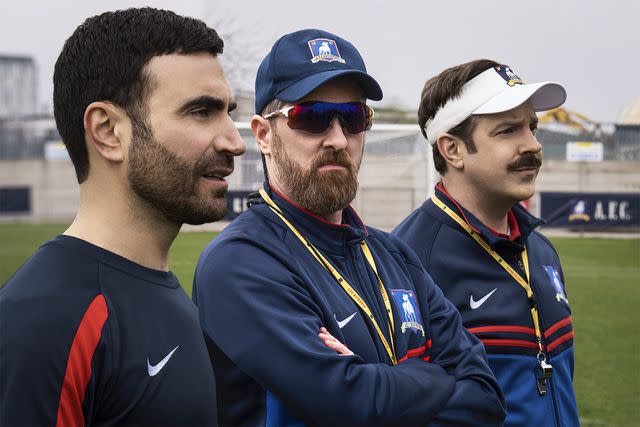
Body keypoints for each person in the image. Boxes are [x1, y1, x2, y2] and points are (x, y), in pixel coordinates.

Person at [193, 29, 506, 426]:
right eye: (312, 118)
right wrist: (431, 375)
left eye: (354, 118)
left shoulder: (393, 255)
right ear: (263, 135)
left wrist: (375, 385)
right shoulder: (240, 263)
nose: (338, 139)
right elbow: (347, 406)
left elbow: (486, 398)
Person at [0, 8, 245, 425]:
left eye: (227, 111)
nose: (234, 141)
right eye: (201, 112)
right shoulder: (44, 320)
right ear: (108, 131)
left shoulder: (161, 291)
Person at [393, 60, 578, 426]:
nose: (533, 145)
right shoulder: (407, 261)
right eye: (508, 131)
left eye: (532, 127)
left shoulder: (540, 249)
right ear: (453, 150)